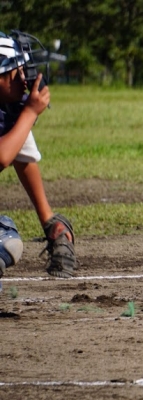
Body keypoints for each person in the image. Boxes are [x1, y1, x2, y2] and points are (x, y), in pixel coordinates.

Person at [0, 31, 77, 278]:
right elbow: (2, 157)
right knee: (4, 241)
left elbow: (22, 158)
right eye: (17, 71)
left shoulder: (7, 111)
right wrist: (30, 113)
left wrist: (49, 221)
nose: (25, 78)